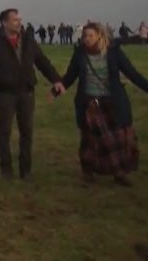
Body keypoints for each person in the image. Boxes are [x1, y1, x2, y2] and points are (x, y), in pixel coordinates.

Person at [0, 8, 65, 180]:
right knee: (5, 131)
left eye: (19, 19)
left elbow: (42, 62)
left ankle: (26, 170)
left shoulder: (29, 40)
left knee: (27, 132)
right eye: (15, 19)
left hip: (26, 92)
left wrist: (56, 80)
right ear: (4, 23)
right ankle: (6, 169)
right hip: (5, 93)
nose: (19, 22)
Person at [56, 22, 148, 186]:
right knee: (90, 140)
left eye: (90, 35)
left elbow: (132, 74)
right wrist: (55, 91)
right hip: (89, 102)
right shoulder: (80, 54)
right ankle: (88, 173)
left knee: (117, 139)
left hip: (112, 101)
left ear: (100, 35)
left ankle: (119, 173)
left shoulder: (113, 53)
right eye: (85, 36)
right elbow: (70, 76)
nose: (87, 39)